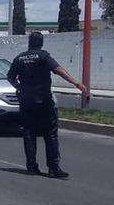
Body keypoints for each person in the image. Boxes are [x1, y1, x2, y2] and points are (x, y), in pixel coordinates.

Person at [7, 32, 88, 179]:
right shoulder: (44, 56)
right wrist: (76, 82)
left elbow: (10, 77)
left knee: (29, 133)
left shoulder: (19, 58)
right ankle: (53, 168)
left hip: (26, 101)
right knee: (50, 134)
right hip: (43, 101)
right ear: (41, 43)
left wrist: (19, 87)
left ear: (29, 42)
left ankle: (31, 167)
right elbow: (59, 70)